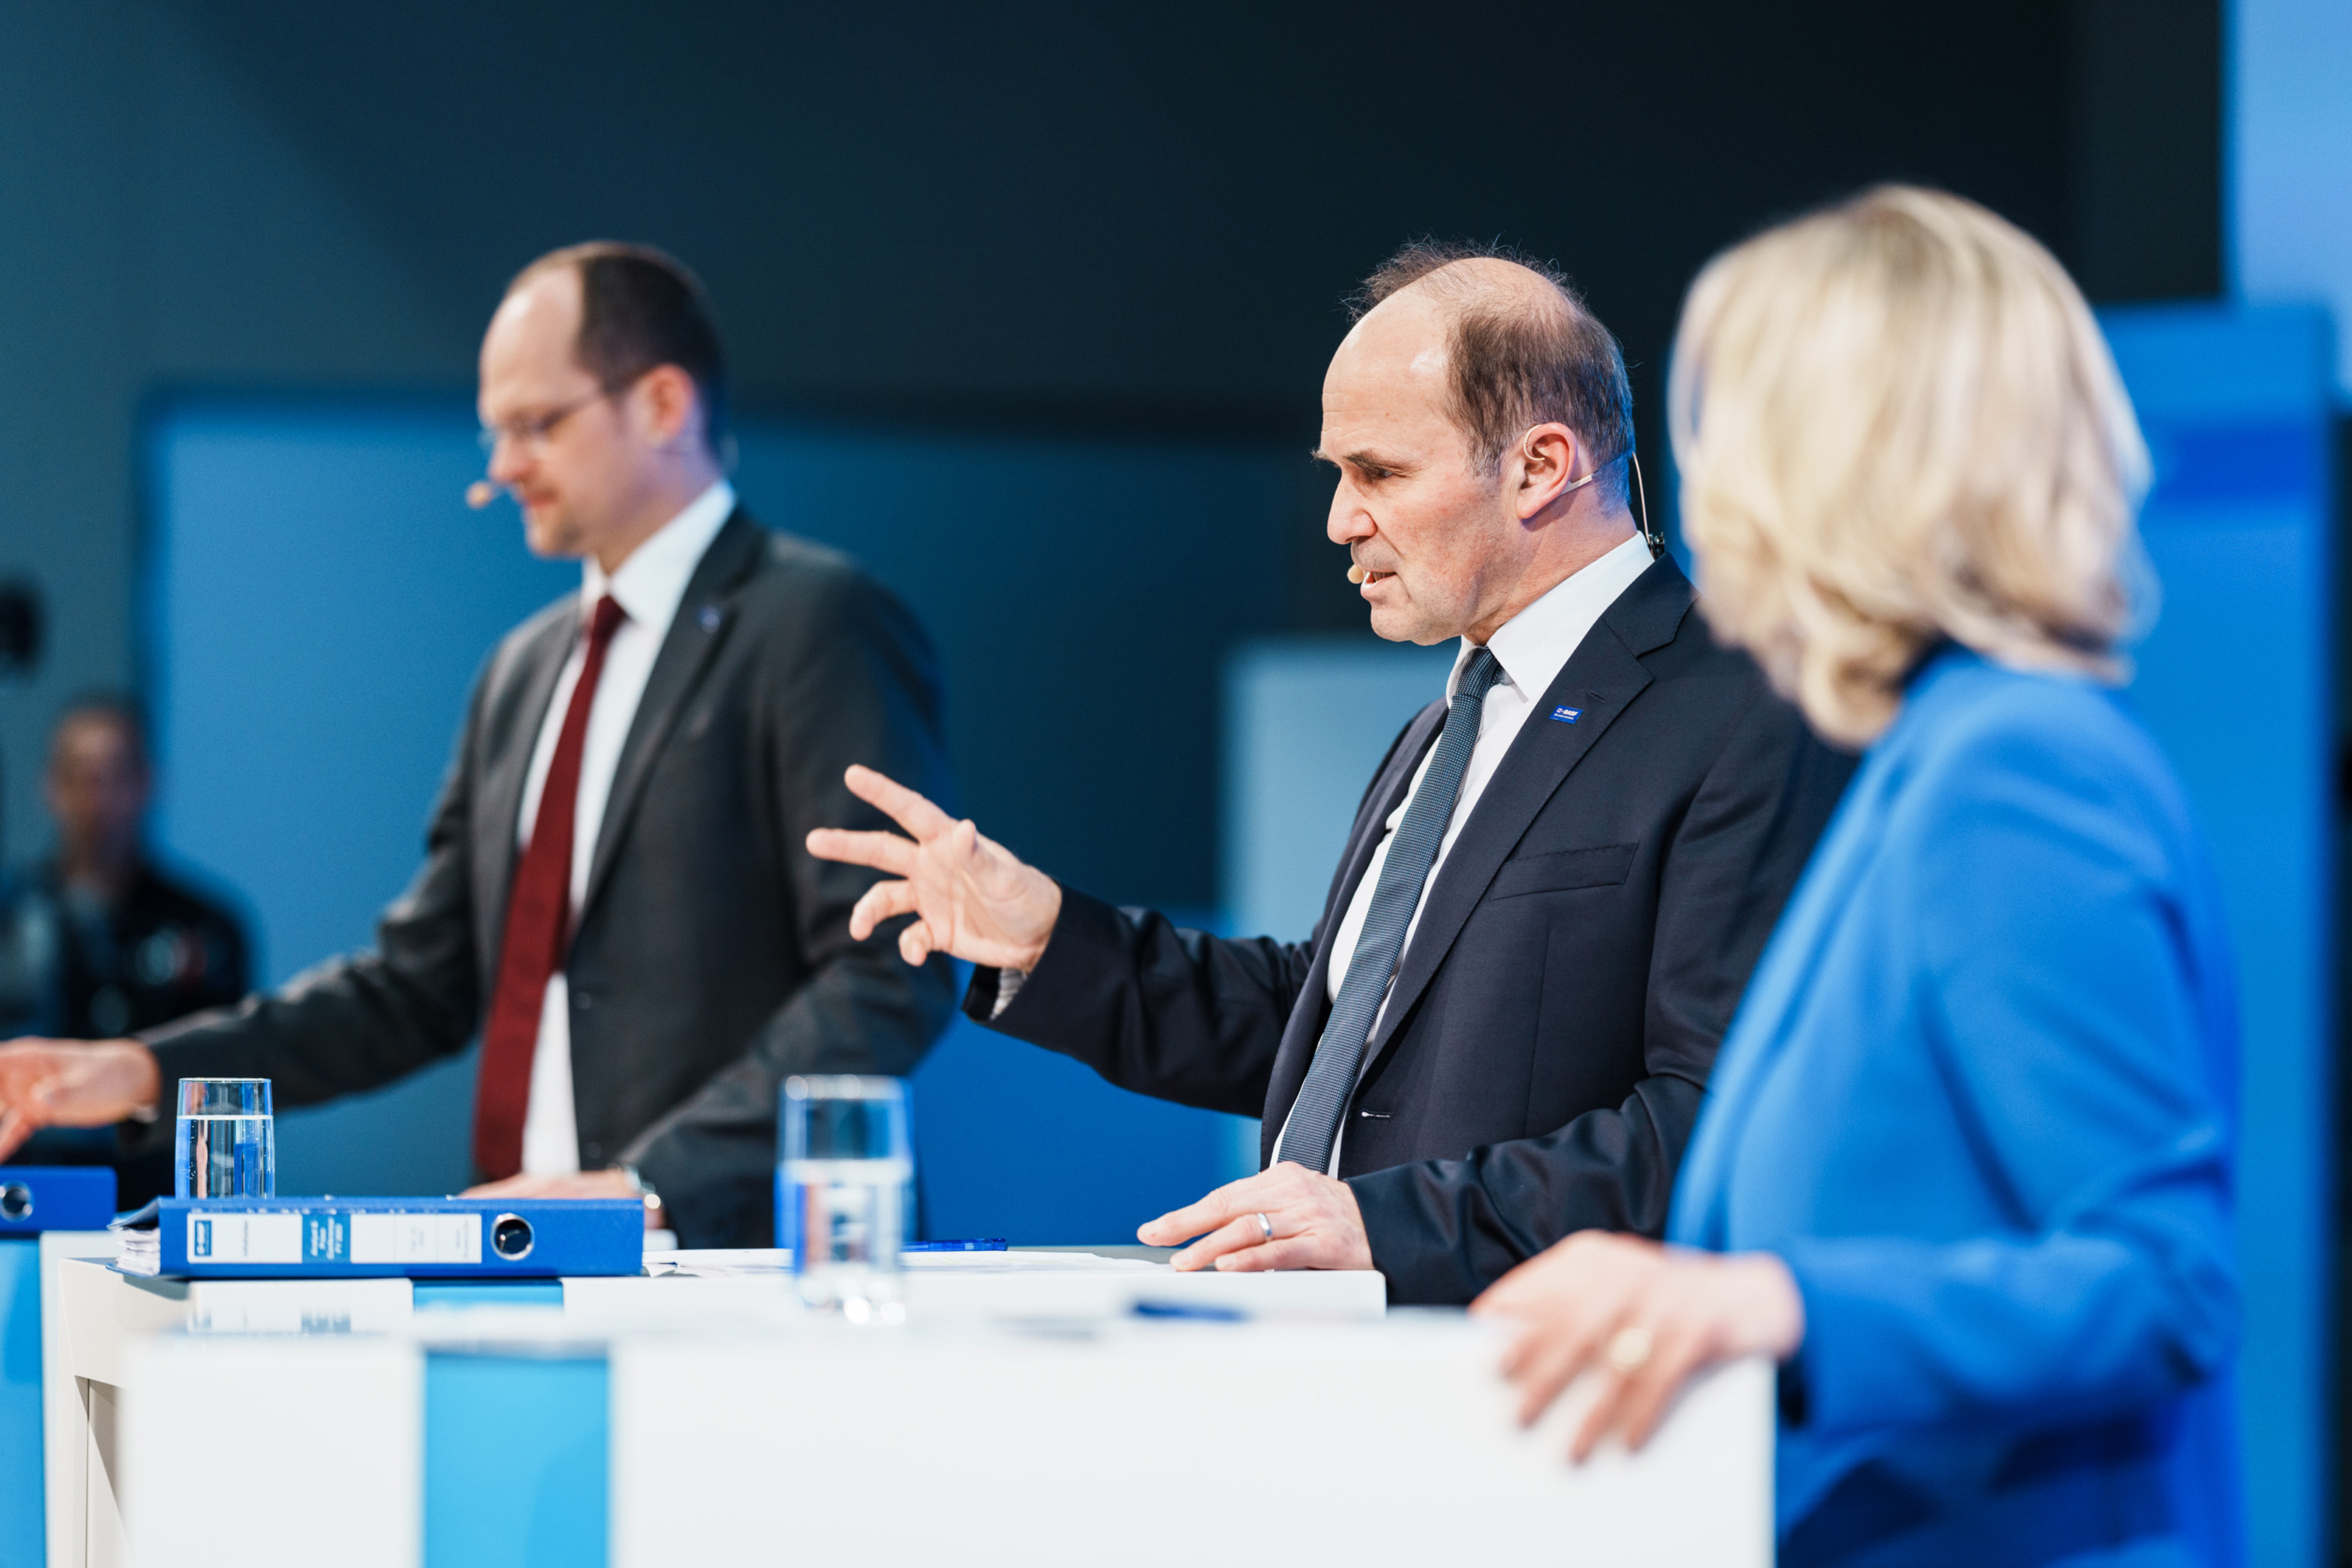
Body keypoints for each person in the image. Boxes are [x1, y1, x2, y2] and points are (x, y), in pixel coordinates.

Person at [808, 243, 1854, 1303]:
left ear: (1541, 466)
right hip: (1360, 1371)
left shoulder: (1747, 711)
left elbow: (1721, 1126)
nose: (1340, 521)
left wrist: (1381, 1222)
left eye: (1380, 473)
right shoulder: (1447, 720)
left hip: (1540, 1395)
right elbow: (1342, 1028)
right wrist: (1048, 939)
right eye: (1338, 474)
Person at [1472, 187, 2241, 1567]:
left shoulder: (2012, 771)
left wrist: (1773, 1305)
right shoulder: (1925, 760)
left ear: (1832, 466)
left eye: (1729, 431)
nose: (1701, 494)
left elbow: (2160, 1284)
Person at [0, 243, 960, 1245]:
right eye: (493, 432)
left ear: (664, 405)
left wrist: (645, 1181)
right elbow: (415, 985)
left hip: (746, 1270)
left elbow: (887, 969)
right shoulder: (523, 670)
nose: (499, 469)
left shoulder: (816, 622)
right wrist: (145, 1071)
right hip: (518, 1254)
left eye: (535, 424)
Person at [0, 699, 251, 1206]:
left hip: (159, 1198)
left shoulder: (208, 929)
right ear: (52, 787)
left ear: (147, 784)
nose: (98, 798)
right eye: (82, 776)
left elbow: (230, 1075)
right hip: (25, 1193)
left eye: (116, 776)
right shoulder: (9, 919)